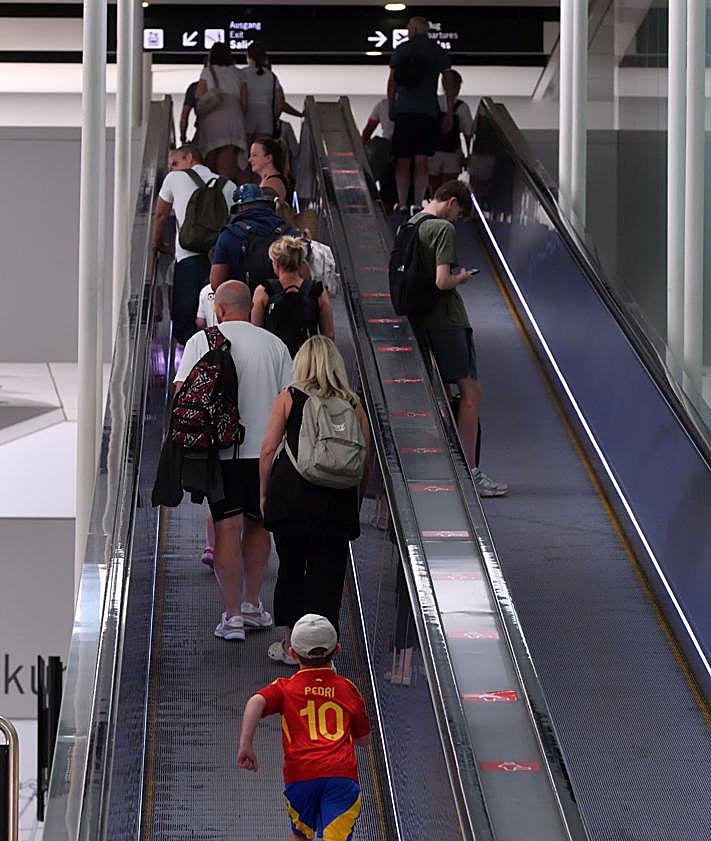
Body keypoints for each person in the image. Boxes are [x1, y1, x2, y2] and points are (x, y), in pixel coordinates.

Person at [174, 280, 293, 640]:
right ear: (247, 306)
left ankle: (232, 617)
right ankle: (254, 604)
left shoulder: (201, 342)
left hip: (221, 453)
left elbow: (181, 394)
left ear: (220, 309)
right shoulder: (275, 345)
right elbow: (290, 399)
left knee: (226, 527)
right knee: (258, 526)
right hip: (266, 453)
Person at [260, 336, 370, 665]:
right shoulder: (353, 403)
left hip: (291, 498)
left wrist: (264, 492)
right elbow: (363, 459)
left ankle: (293, 645)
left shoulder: (289, 397)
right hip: (337, 503)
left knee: (292, 568)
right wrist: (357, 500)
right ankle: (323, 650)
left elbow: (268, 449)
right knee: (328, 573)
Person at [408, 180, 507, 497]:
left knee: (444, 391)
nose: (456, 221)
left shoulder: (412, 224)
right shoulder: (442, 229)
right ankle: (470, 472)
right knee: (470, 391)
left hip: (423, 320)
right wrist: (461, 277)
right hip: (447, 321)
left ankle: (445, 467)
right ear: (451, 202)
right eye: (459, 214)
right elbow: (441, 281)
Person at [238, 613, 371, 841]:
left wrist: (246, 744)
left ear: (292, 652)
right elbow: (364, 740)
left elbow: (256, 701)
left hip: (300, 776)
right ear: (337, 651)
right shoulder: (348, 689)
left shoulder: (285, 688)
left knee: (300, 834)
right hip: (342, 776)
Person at [153, 144, 236, 346]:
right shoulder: (230, 186)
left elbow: (161, 215)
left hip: (186, 257)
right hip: (218, 260)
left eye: (175, 162)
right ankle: (216, 356)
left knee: (185, 319)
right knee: (218, 314)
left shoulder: (173, 178)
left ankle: (194, 360)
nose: (172, 168)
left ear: (190, 157)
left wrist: (158, 244)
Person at [387, 16, 457, 212]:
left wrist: (392, 105)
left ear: (415, 29)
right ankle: (417, 204)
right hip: (427, 112)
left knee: (402, 160)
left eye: (409, 27)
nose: (408, 31)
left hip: (405, 111)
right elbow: (449, 80)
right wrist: (449, 113)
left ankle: (401, 204)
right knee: (421, 160)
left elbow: (392, 81)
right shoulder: (437, 51)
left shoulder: (403, 49)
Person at [251, 236, 334, 357]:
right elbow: (329, 335)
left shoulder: (264, 291)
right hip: (308, 361)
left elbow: (256, 333)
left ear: (277, 264)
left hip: (275, 360)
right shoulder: (317, 291)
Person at [210, 183, 294, 292]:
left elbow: (216, 283)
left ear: (239, 207)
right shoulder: (289, 233)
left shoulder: (229, 234)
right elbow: (304, 275)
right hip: (283, 303)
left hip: (245, 304)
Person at [195, 42, 248, 181]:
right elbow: (244, 103)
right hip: (234, 118)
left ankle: (209, 195)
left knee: (209, 159)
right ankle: (224, 195)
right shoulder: (239, 73)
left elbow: (199, 95)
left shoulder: (208, 71)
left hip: (212, 118)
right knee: (226, 164)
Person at [428, 70, 474, 194]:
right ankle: (444, 212)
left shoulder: (432, 102)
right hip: (452, 153)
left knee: (434, 189)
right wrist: (468, 155)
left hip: (431, 152)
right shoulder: (462, 106)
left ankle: (434, 209)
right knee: (448, 190)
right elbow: (468, 132)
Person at [243, 42, 289, 143]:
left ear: (248, 57)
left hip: (247, 116)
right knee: (263, 150)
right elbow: (279, 103)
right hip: (265, 117)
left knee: (247, 154)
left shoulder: (242, 74)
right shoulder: (271, 76)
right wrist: (273, 117)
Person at [361, 97, 396, 213]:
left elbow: (368, 131)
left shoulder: (383, 104)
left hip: (386, 154)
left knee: (386, 188)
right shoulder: (414, 103)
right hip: (410, 153)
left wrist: (359, 152)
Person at [248, 137, 293, 204]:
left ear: (268, 158)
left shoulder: (273, 184)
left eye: (254, 155)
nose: (250, 160)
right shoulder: (271, 181)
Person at [179, 79, 199, 145]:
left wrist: (183, 138)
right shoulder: (228, 86)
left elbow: (184, 118)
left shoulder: (194, 88)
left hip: (204, 132)